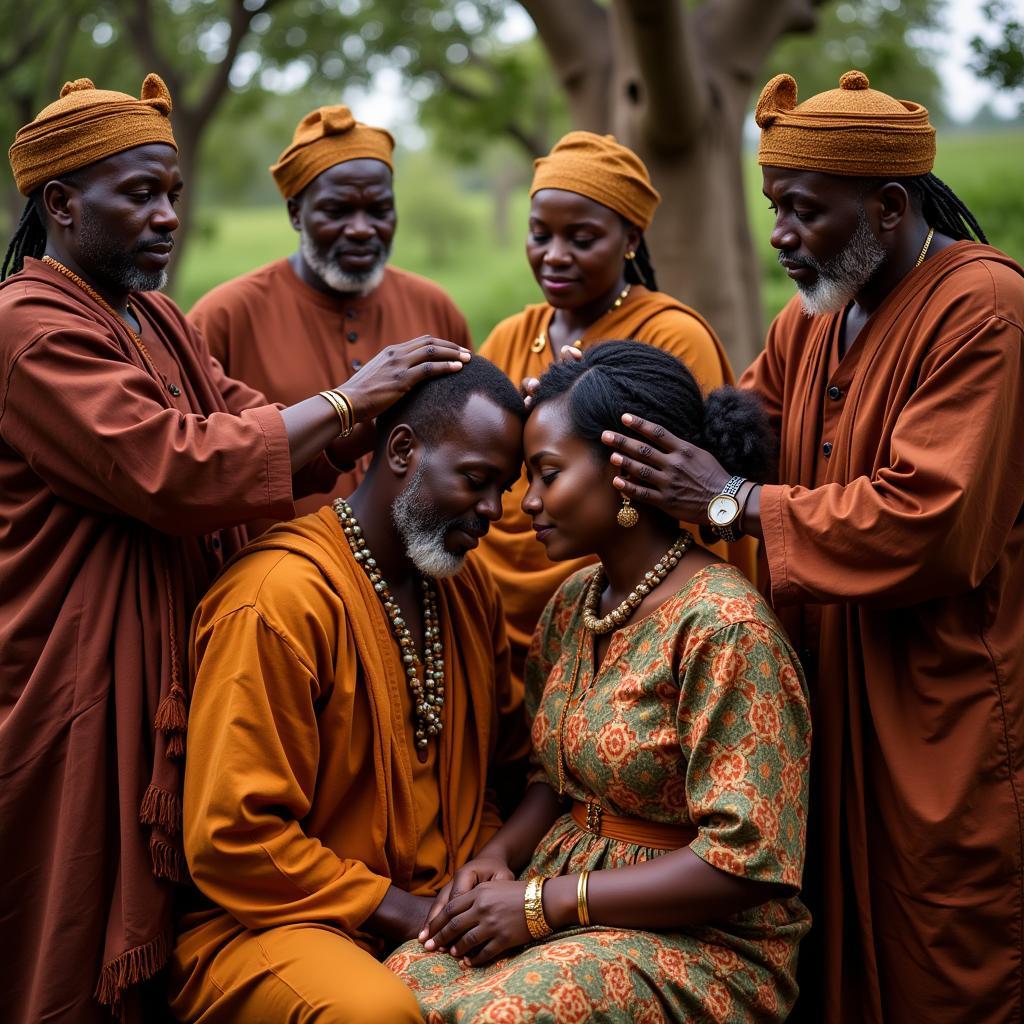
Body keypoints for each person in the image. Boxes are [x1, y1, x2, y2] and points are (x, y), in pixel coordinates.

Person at [0, 75, 468, 1024]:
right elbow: (171, 466)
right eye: (140, 195)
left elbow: (241, 416)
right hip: (76, 679)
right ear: (59, 204)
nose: (168, 215)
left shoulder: (155, 316)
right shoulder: (27, 325)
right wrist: (350, 398)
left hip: (172, 657)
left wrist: (396, 432)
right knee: (75, 917)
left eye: (172, 192)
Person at [601, 71, 1024, 1024]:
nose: (781, 235)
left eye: (803, 210)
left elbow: (934, 517)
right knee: (832, 925)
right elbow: (747, 421)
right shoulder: (816, 316)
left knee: (945, 940)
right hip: (830, 679)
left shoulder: (983, 309)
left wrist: (733, 502)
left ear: (887, 205)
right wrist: (614, 414)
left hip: (936, 702)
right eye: (773, 209)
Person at [387, 341, 812, 1023]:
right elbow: (551, 780)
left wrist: (542, 904)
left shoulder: (726, 628)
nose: (525, 502)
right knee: (394, 988)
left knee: (507, 1015)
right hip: (561, 893)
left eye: (547, 474)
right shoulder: (575, 603)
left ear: (626, 472)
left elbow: (746, 863)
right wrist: (499, 858)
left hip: (702, 938)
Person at [167, 356, 529, 1023]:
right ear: (401, 450)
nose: (493, 512)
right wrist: (409, 910)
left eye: (505, 487)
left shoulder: (466, 588)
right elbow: (233, 839)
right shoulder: (277, 599)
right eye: (476, 481)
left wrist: (487, 873)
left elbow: (505, 771)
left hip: (437, 905)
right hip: (274, 922)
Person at [476, 130, 753, 691]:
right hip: (499, 619)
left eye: (580, 238)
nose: (554, 255)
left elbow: (689, 492)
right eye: (539, 235)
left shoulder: (670, 334)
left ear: (630, 236)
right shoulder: (511, 335)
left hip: (627, 614)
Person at [188, 104, 472, 521]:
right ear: (295, 213)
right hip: (270, 574)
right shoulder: (225, 316)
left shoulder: (434, 306)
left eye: (378, 210)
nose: (361, 228)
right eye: (337, 211)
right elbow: (199, 467)